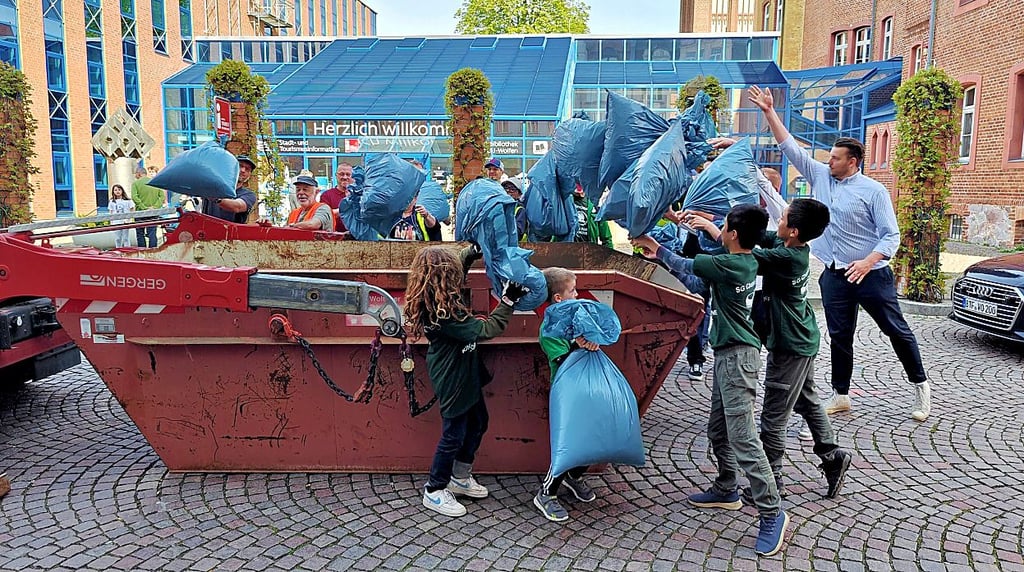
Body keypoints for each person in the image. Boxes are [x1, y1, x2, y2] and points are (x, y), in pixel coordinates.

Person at [742, 84, 931, 422]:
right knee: (840, 335)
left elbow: (891, 236)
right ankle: (841, 395)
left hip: (871, 274)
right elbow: (790, 148)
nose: (827, 161)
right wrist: (770, 112)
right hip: (834, 273)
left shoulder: (873, 192)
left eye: (835, 158)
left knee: (896, 330)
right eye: (828, 157)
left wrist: (870, 260)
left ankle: (920, 386)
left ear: (852, 162)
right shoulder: (821, 176)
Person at [632, 204, 790, 558]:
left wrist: (652, 246)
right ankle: (726, 488)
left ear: (733, 234)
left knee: (744, 438)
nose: (722, 231)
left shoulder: (729, 264)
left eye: (725, 227)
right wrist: (687, 222)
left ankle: (772, 512)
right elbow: (706, 261)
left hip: (738, 358)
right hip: (727, 354)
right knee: (719, 430)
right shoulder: (744, 257)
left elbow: (687, 264)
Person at [689, 200, 854, 502]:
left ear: (792, 230)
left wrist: (714, 229)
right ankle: (831, 454)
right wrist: (718, 218)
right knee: (807, 399)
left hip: (790, 343)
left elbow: (745, 254)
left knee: (773, 418)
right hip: (803, 337)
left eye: (784, 218)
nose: (777, 221)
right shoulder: (791, 243)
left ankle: (771, 482)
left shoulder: (787, 257)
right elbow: (753, 235)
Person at [403, 244, 528, 517]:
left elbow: (455, 267)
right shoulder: (444, 315)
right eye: (454, 274)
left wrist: (471, 252)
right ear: (446, 280)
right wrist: (507, 302)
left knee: (478, 423)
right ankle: (435, 489)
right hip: (454, 379)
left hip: (465, 373)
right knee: (453, 434)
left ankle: (460, 477)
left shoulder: (440, 297)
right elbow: (487, 329)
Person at [533, 267, 601, 522]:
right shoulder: (550, 329)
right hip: (566, 393)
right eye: (573, 291)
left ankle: (575, 476)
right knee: (568, 445)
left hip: (584, 388)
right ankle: (547, 493)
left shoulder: (576, 319)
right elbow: (563, 361)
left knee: (593, 439)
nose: (577, 294)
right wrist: (579, 345)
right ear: (558, 298)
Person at [202, 155, 259, 224]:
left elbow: (237, 207)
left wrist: (215, 198)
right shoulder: (214, 186)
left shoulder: (249, 195)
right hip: (205, 232)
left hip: (231, 233)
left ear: (249, 175)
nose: (243, 170)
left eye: (247, 169)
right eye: (240, 166)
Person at [131, 165, 165, 247]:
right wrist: (155, 207)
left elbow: (134, 197)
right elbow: (162, 197)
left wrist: (144, 207)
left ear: (139, 174)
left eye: (135, 174)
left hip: (140, 212)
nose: (135, 176)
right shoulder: (155, 182)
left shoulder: (135, 184)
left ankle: (142, 252)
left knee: (140, 234)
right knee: (152, 233)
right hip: (153, 212)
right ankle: (153, 251)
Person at [319, 162, 353, 233]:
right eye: (341, 174)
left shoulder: (359, 195)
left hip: (358, 237)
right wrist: (346, 207)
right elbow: (325, 217)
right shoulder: (326, 195)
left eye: (348, 174)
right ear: (336, 175)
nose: (345, 177)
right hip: (335, 236)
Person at [501, 175, 528, 241]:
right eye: (506, 188)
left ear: (519, 194)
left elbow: (518, 233)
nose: (508, 192)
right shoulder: (499, 207)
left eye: (512, 189)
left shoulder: (520, 210)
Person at [108, 184, 134, 249]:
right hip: (116, 222)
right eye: (115, 190)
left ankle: (127, 249)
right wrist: (111, 221)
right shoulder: (112, 201)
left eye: (119, 190)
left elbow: (132, 209)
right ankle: (118, 249)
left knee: (126, 238)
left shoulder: (128, 200)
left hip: (125, 221)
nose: (117, 191)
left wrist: (129, 219)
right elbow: (111, 212)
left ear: (122, 190)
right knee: (117, 238)